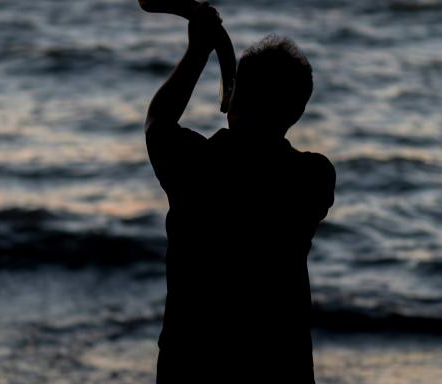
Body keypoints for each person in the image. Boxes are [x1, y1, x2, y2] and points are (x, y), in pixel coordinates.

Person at [144, 3, 336, 383]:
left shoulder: (195, 167)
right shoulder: (313, 177)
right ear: (295, 113)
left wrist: (199, 50)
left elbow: (158, 121)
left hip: (192, 364)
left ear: (232, 97)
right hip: (280, 365)